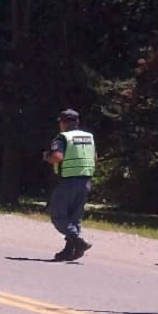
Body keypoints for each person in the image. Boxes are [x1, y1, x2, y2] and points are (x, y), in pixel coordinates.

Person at [43, 108, 96, 261]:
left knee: (58, 216)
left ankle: (78, 240)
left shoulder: (63, 138)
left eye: (60, 122)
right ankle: (69, 251)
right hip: (85, 181)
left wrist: (47, 156)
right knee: (74, 217)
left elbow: (57, 157)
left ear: (64, 122)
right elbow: (95, 157)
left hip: (67, 181)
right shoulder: (89, 137)